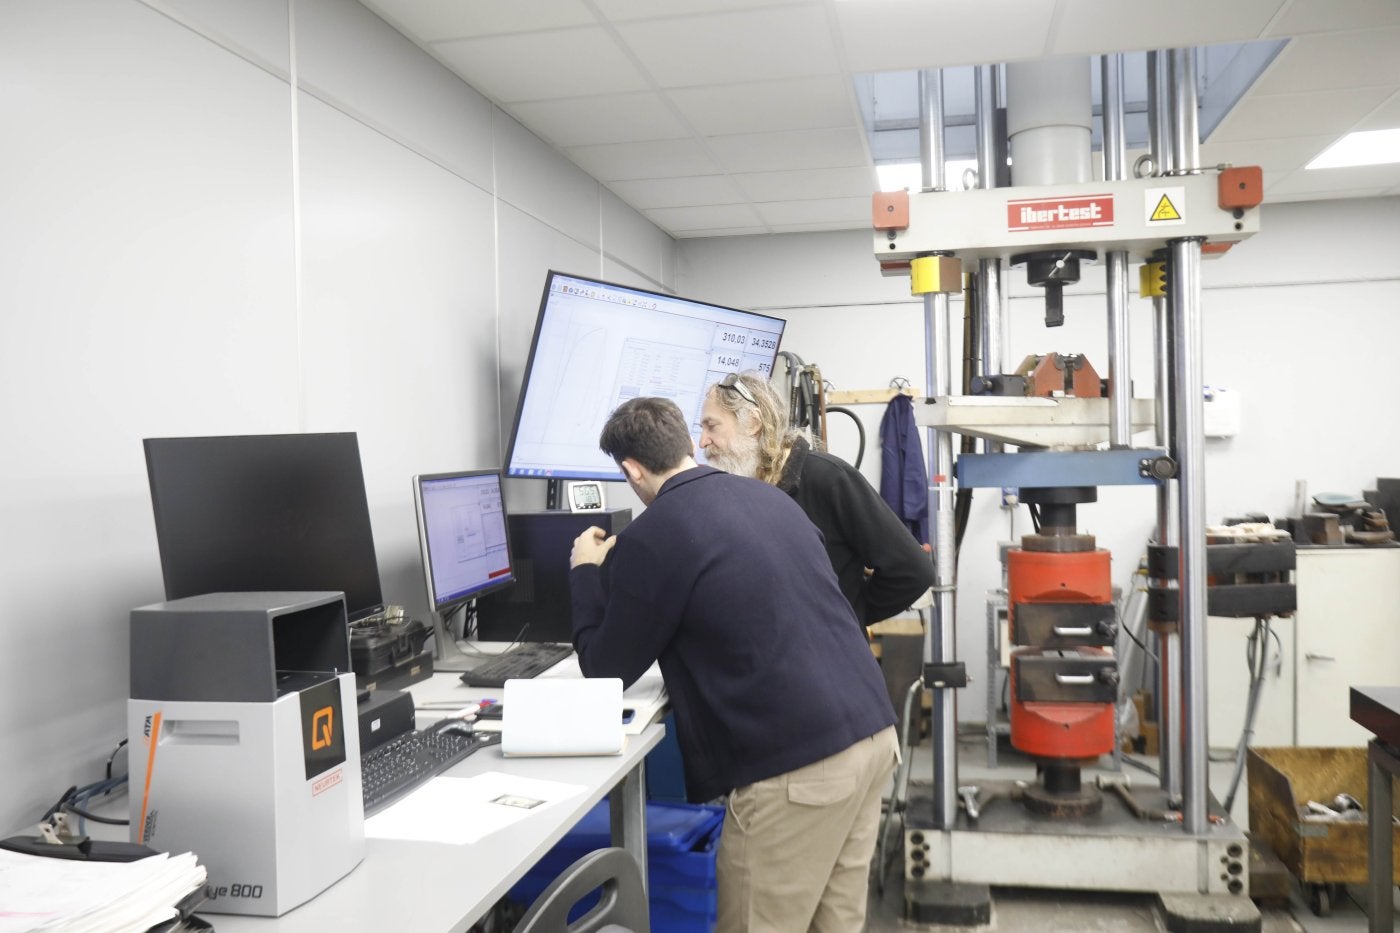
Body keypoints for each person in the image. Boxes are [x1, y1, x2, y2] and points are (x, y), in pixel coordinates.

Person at [570, 396, 898, 933]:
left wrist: (585, 571)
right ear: (685, 442)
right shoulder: (769, 500)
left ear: (631, 469)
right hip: (872, 735)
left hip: (798, 770)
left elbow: (605, 669)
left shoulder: (653, 535)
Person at [699, 371, 934, 628]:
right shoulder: (739, 493)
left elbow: (913, 571)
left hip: (833, 662)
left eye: (712, 426)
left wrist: (845, 617)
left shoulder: (828, 479)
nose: (702, 442)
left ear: (753, 423)